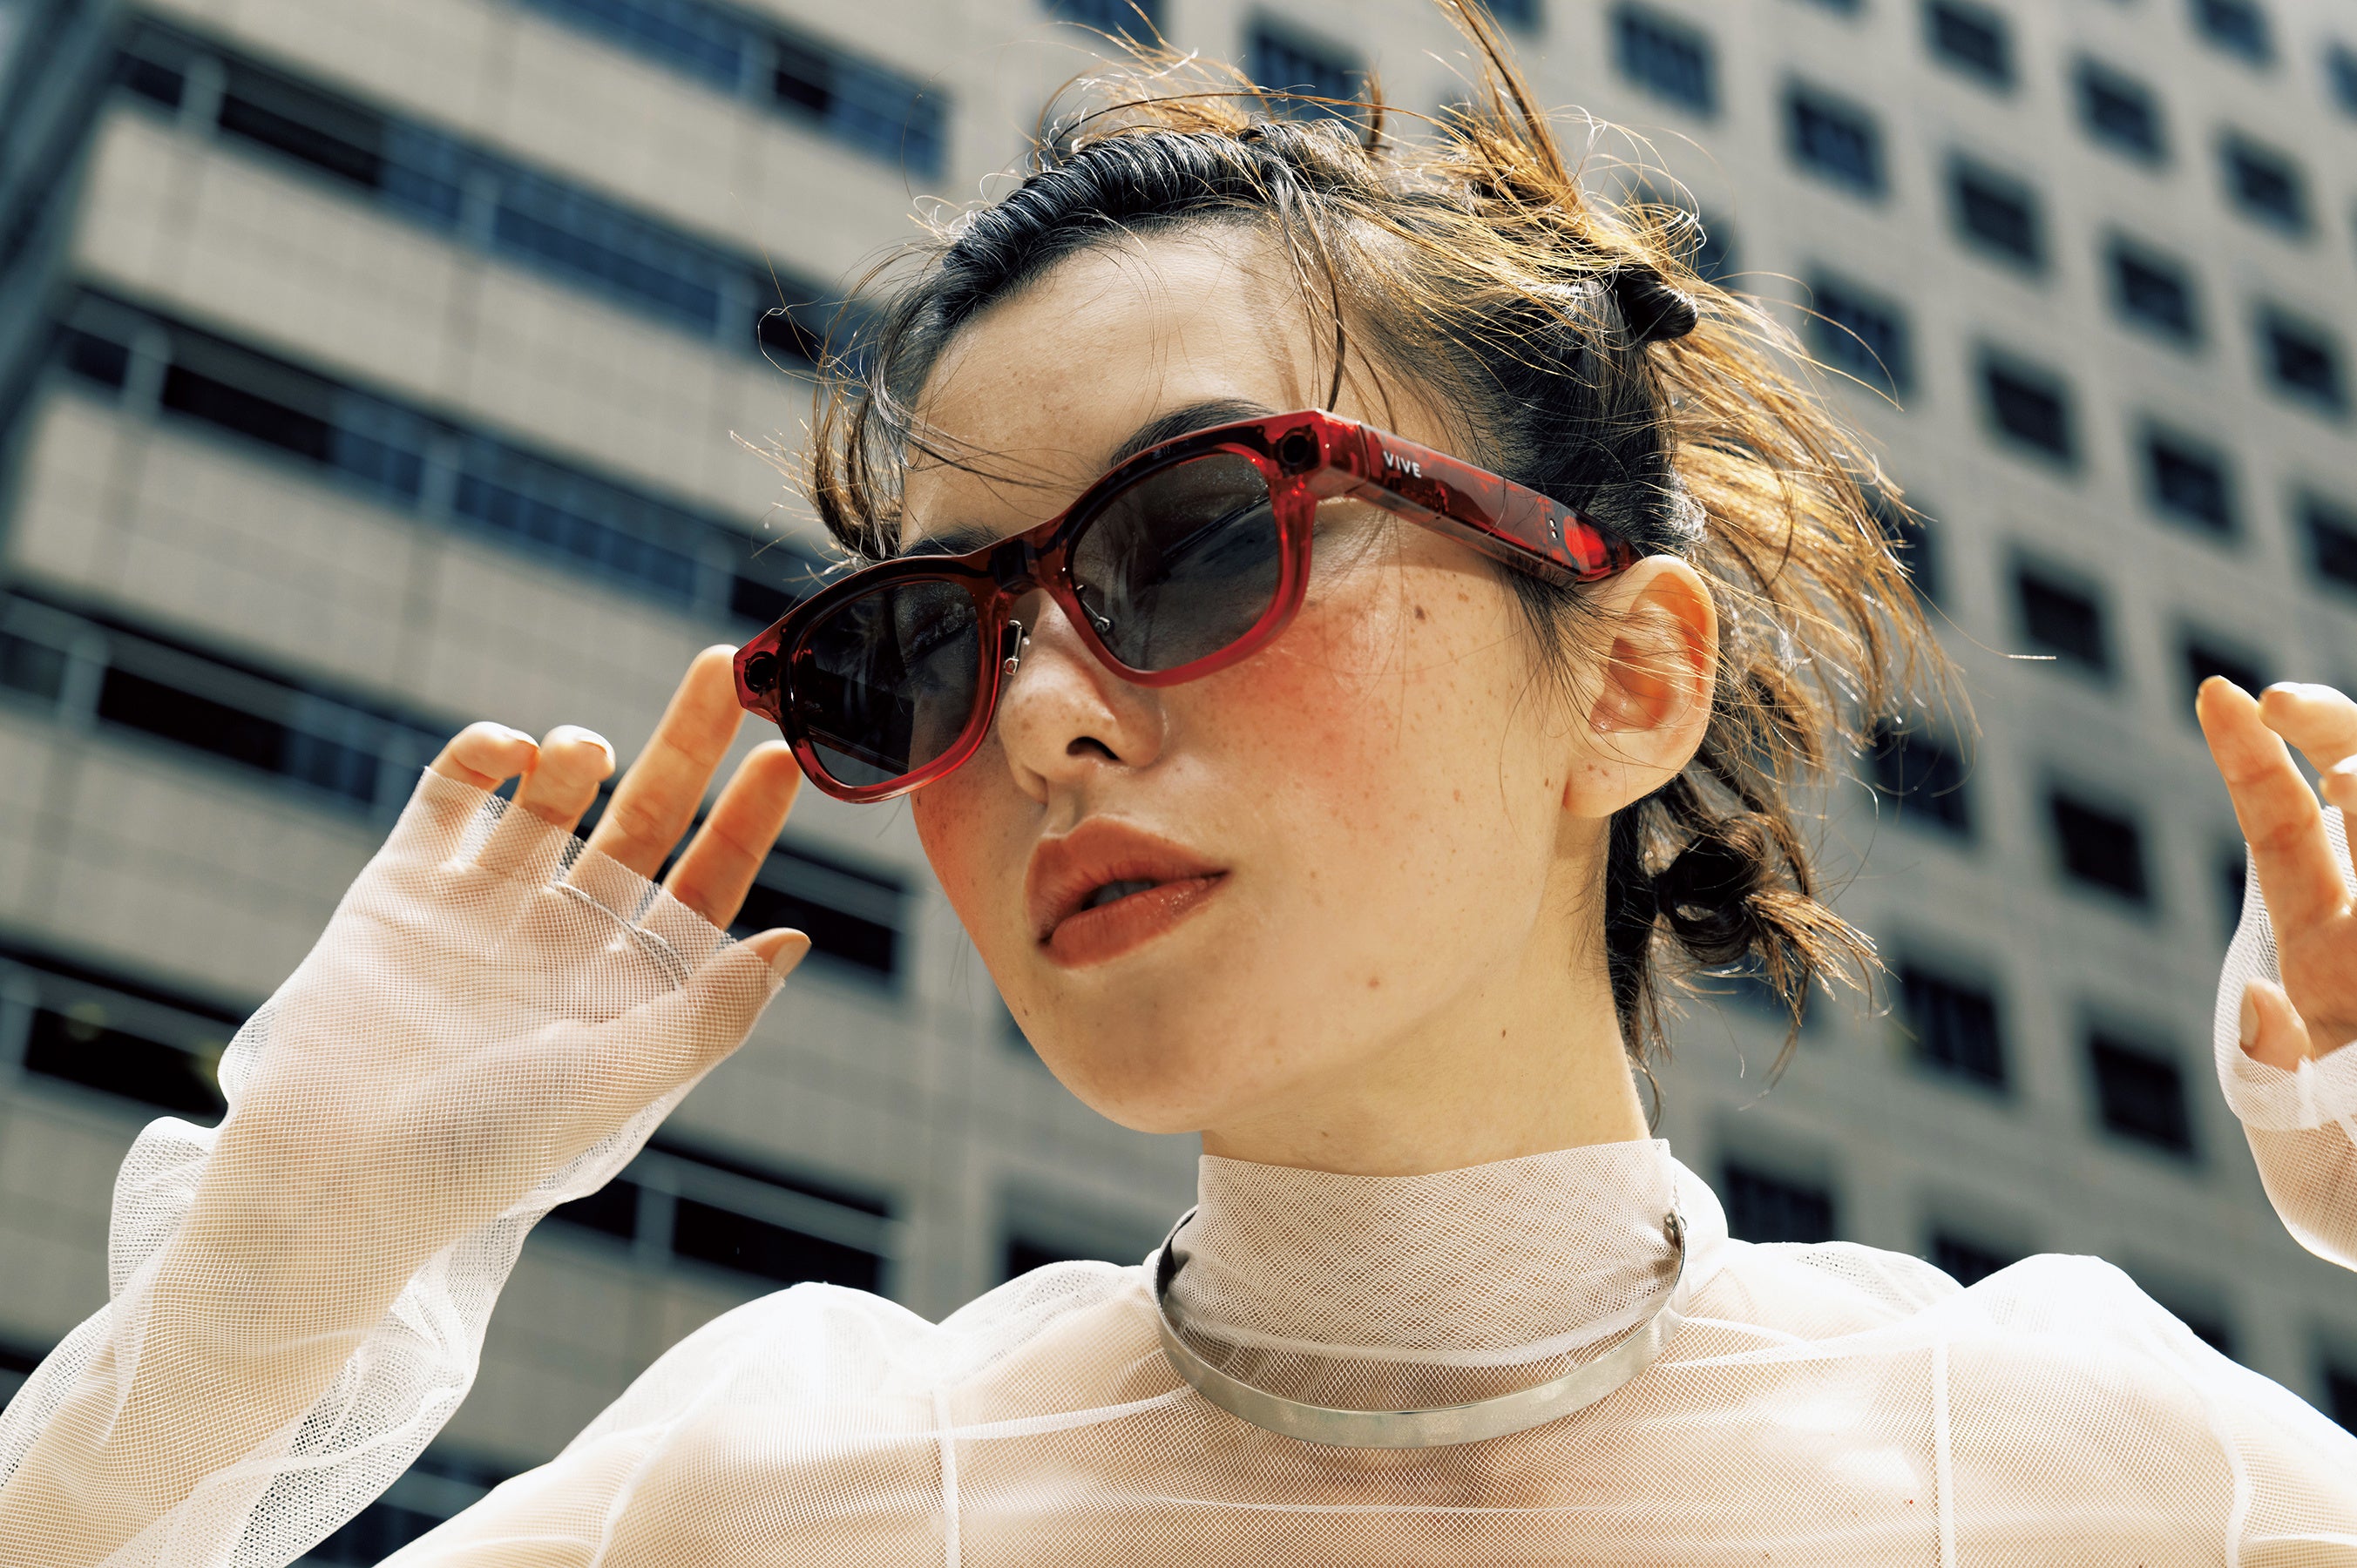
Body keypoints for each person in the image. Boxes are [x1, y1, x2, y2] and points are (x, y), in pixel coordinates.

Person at [3, 7, 2352, 1562]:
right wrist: (247, 1302)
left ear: (1628, 678)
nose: (1039, 718)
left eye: (1200, 535)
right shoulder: (783, 1488)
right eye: (926, 646)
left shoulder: (2087, 1464)